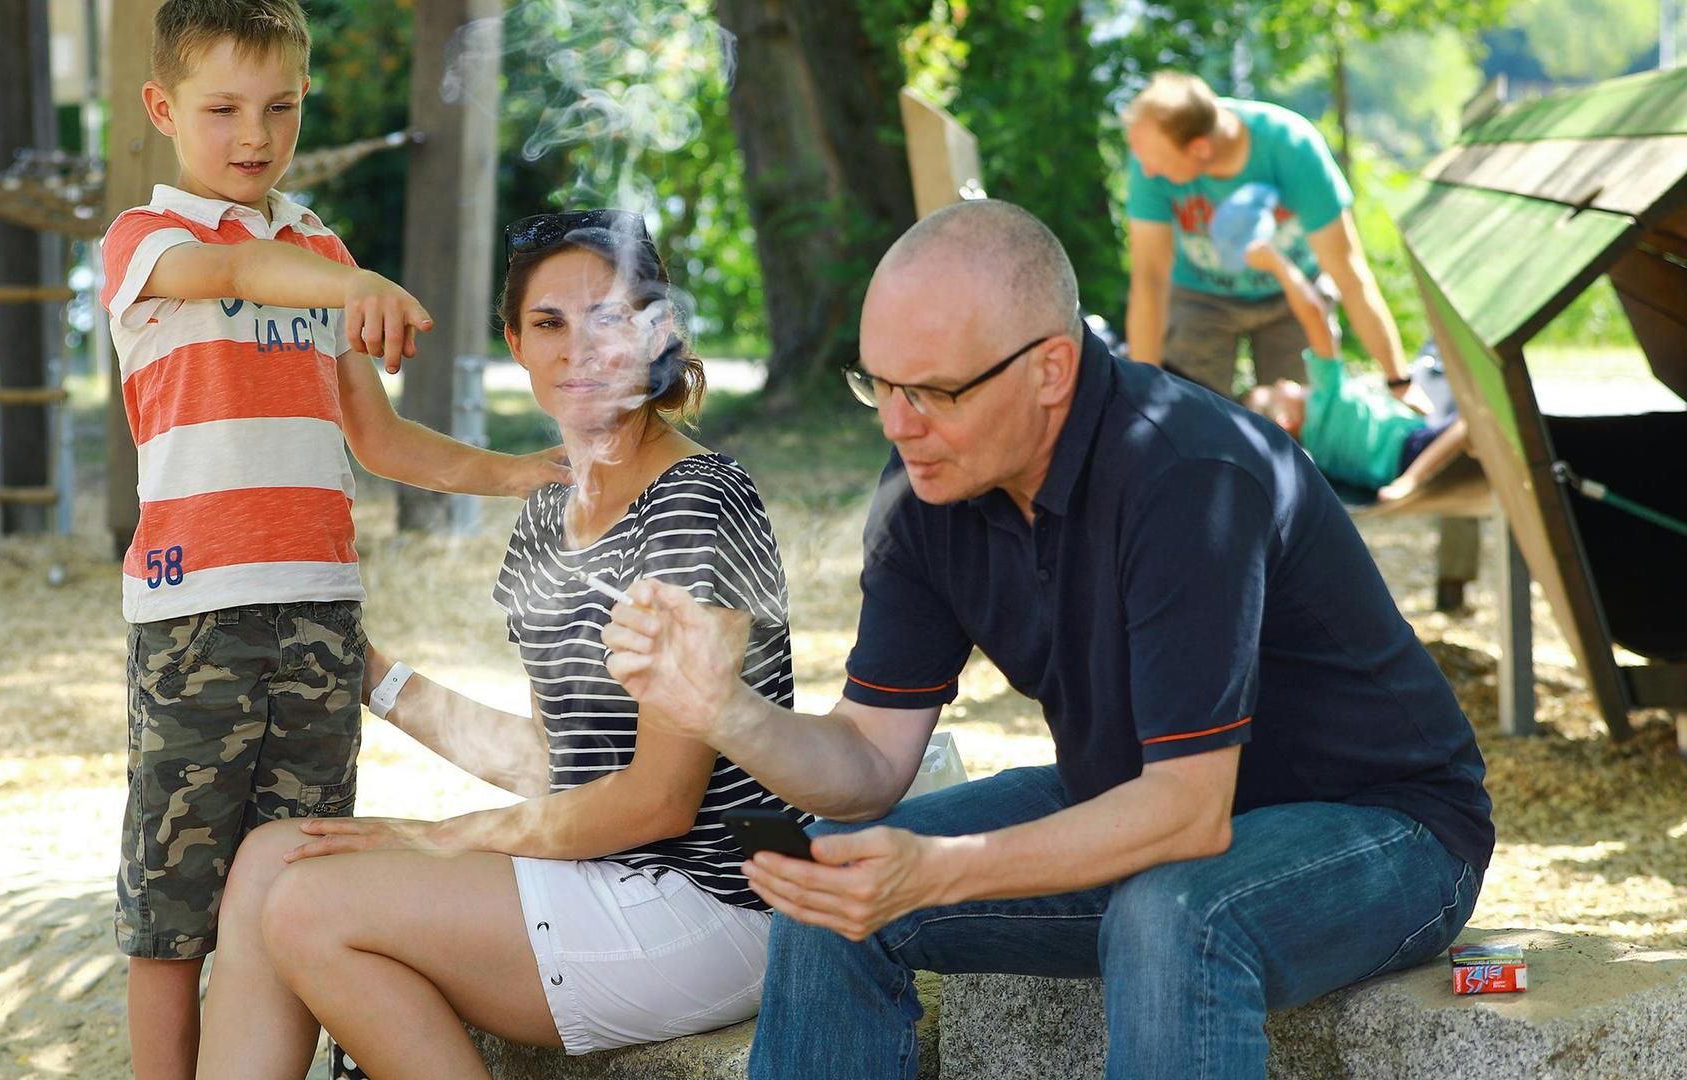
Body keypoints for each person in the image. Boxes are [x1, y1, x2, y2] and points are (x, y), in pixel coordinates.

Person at [602, 199, 1493, 1079]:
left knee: (1174, 916)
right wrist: (722, 709)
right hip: (1134, 801)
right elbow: (870, 759)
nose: (898, 424)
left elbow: (1188, 810)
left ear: (1052, 370)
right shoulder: (928, 479)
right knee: (828, 890)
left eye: (933, 391)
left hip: (1387, 830)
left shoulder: (1187, 475)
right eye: (879, 385)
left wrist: (937, 870)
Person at [190, 209, 808, 1080]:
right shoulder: (549, 510)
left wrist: (438, 838)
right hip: (608, 869)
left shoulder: (698, 501)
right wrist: (373, 676)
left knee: (310, 906)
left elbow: (659, 803)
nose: (578, 350)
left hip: (721, 901)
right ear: (515, 343)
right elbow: (560, 763)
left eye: (607, 319)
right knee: (269, 858)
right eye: (549, 324)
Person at [101, 4, 566, 1077]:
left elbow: (382, 438)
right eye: (222, 109)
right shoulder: (149, 242)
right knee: (174, 911)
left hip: (321, 616)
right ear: (162, 108)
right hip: (195, 619)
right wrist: (350, 286)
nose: (254, 135)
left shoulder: (318, 245)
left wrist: (518, 473)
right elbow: (234, 277)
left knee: (297, 878)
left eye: (280, 108)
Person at [1123, 70, 1412, 398]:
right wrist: (1142, 397)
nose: (1147, 171)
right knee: (1189, 411)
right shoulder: (1150, 159)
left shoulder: (1291, 147)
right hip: (1200, 298)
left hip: (1292, 293)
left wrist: (1399, 381)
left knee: (1299, 417)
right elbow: (1149, 279)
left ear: (1200, 148)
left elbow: (1348, 272)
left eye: (1157, 164)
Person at [1240, 240, 1469, 503]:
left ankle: (1412, 476)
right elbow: (1314, 314)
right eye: (1273, 391)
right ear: (1286, 420)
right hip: (1413, 447)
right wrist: (1277, 264)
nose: (1280, 382)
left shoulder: (1319, 454)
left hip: (1397, 461)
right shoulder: (1324, 397)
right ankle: (1410, 480)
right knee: (1473, 420)